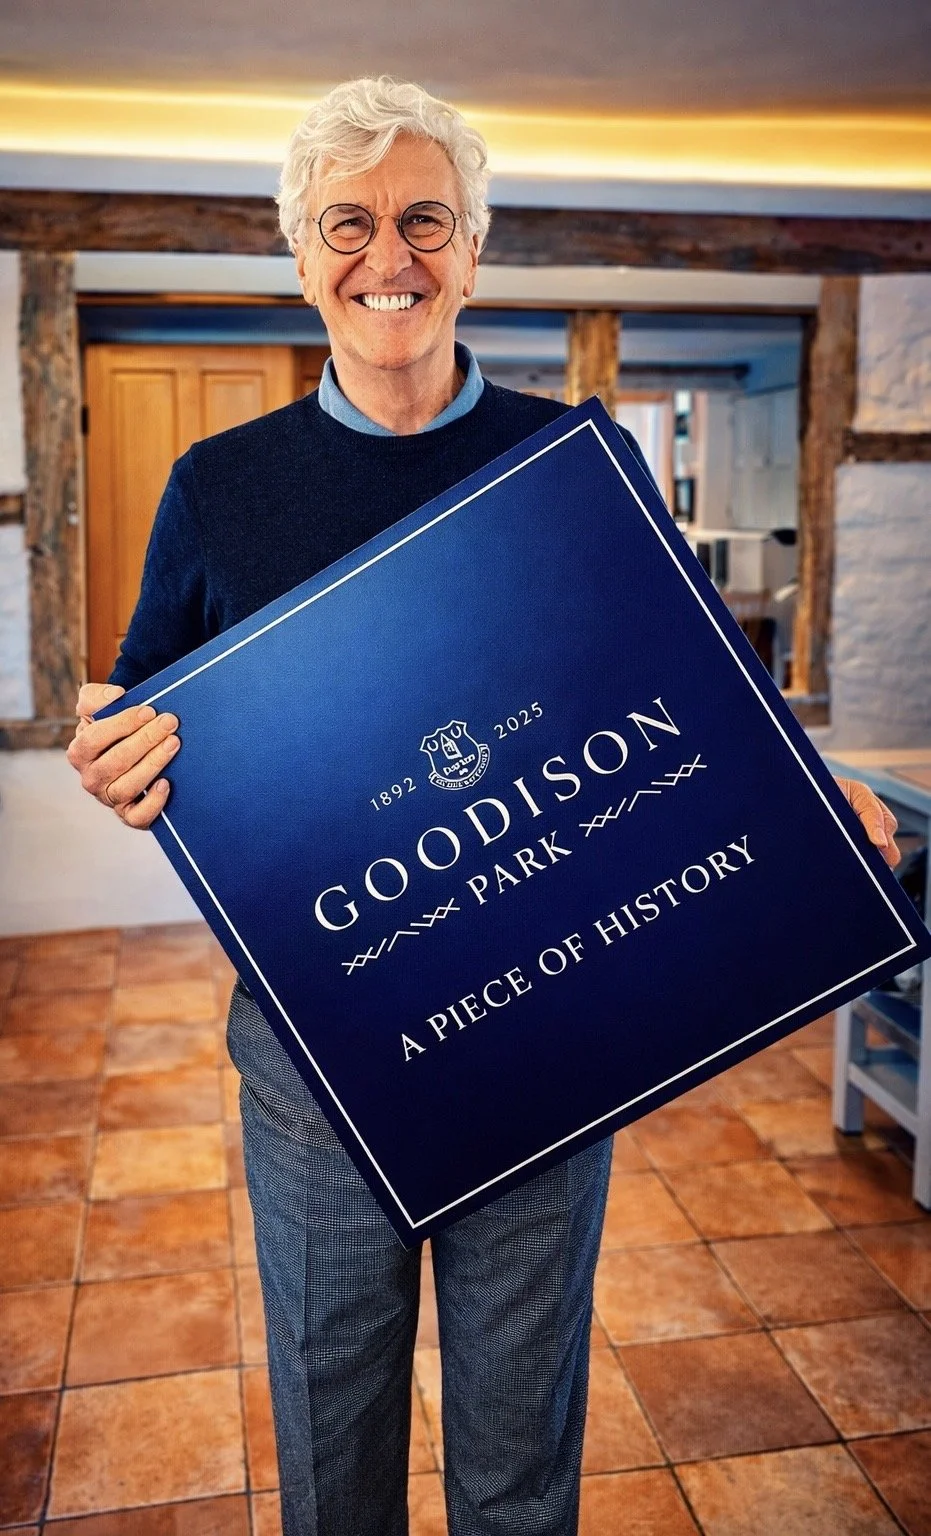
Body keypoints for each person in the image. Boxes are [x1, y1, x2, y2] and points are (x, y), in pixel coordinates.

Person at [67, 76, 900, 1536]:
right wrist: (112, 751)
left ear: (470, 246)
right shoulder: (220, 485)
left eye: (422, 219)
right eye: (347, 222)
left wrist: (799, 791)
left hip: (544, 1032)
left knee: (522, 1434)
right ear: (298, 247)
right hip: (316, 1043)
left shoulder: (570, 465)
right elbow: (142, 700)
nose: (386, 255)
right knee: (332, 1419)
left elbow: (685, 691)